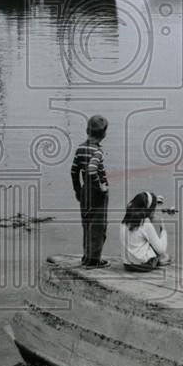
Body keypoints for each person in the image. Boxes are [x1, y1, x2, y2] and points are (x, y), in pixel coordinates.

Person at [71, 115, 109, 268]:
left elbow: (73, 171)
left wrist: (77, 190)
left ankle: (86, 256)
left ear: (87, 130)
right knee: (99, 226)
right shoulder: (98, 152)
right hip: (97, 193)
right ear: (104, 135)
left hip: (85, 191)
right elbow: (92, 170)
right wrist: (100, 186)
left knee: (86, 223)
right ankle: (94, 260)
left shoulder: (80, 148)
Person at [120, 191, 170, 272]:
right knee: (165, 255)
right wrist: (163, 229)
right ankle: (160, 260)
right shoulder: (145, 222)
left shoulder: (124, 221)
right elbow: (161, 250)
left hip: (127, 265)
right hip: (143, 266)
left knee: (143, 239)